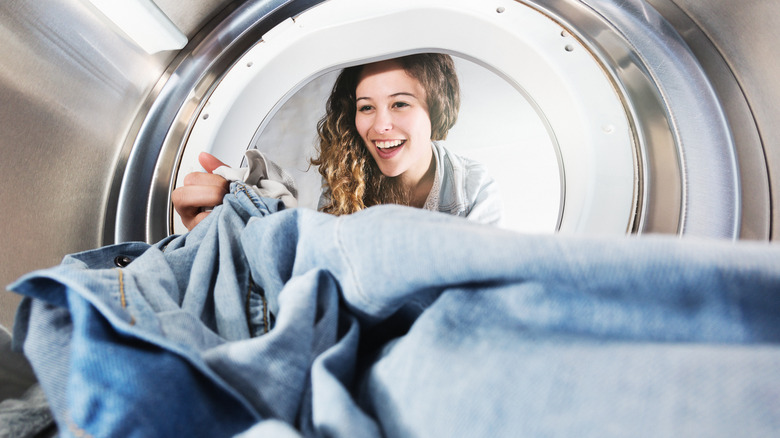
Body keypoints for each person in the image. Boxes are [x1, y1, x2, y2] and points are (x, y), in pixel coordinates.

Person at [172, 53, 502, 230]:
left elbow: (481, 295)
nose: (381, 125)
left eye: (400, 103)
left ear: (437, 110)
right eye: (366, 107)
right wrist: (250, 221)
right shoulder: (349, 180)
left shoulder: (471, 186)